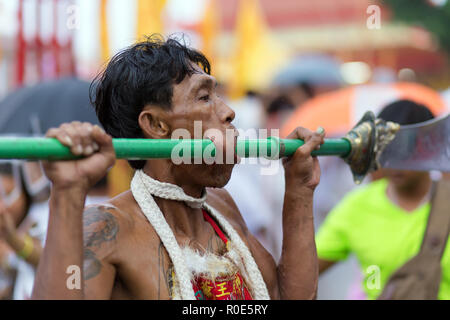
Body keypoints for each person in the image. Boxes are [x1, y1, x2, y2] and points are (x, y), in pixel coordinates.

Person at [31, 35, 325, 300]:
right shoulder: (108, 227)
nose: (228, 112)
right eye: (205, 97)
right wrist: (68, 193)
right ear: (156, 125)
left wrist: (300, 191)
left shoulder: (222, 208)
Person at [316, 99, 450, 300]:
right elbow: (304, 271)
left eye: (407, 149)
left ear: (429, 147)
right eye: (388, 149)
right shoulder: (357, 206)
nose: (395, 162)